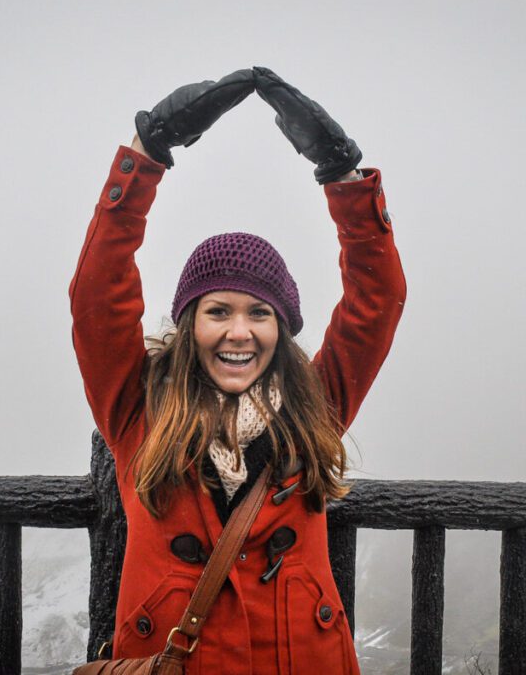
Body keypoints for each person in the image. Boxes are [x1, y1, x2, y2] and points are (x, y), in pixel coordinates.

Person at [70, 67, 406, 675]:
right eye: (217, 311)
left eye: (260, 314)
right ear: (188, 324)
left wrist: (343, 175)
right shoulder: (136, 407)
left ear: (281, 331)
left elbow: (376, 299)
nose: (239, 332)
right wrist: (148, 152)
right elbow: (97, 292)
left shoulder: (316, 404)